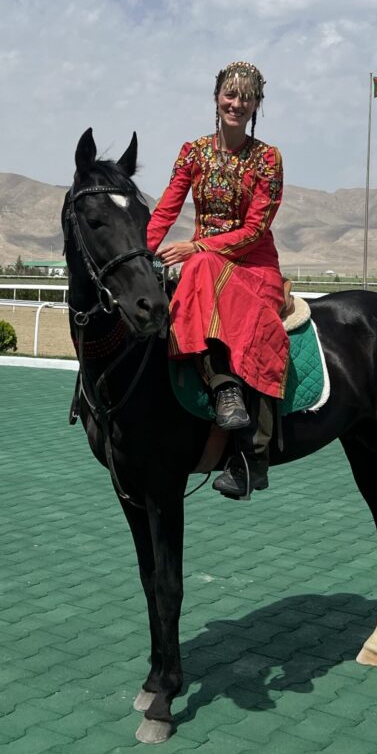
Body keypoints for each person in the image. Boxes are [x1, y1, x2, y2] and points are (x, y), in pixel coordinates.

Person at [146, 61, 289, 499]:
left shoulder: (268, 159)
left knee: (250, 319)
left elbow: (254, 230)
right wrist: (137, 253)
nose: (236, 103)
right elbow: (167, 210)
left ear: (256, 105)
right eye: (230, 94)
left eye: (246, 97)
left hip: (253, 264)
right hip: (203, 266)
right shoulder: (193, 152)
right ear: (217, 98)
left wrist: (197, 247)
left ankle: (253, 454)